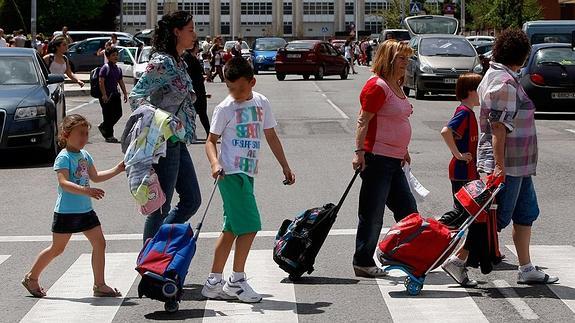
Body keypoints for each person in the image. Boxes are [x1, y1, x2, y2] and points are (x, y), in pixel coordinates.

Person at [202, 56, 296, 303]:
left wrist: (285, 166)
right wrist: (215, 162)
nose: (234, 93)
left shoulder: (262, 102)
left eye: (240, 88)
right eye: (230, 88)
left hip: (247, 173)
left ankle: (213, 282)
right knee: (251, 225)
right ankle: (236, 281)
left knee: (231, 229)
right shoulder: (225, 108)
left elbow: (271, 135)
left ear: (252, 82)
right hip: (231, 173)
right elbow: (210, 141)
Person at [476, 28, 558, 285]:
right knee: (495, 218)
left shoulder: (497, 75)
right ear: (522, 56)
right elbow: (498, 127)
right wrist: (498, 167)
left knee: (526, 213)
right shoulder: (504, 82)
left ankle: (526, 267)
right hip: (508, 164)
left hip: (519, 166)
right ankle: (459, 258)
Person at [22, 114, 125, 298]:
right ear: (66, 134)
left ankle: (99, 285)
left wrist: (117, 169)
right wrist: (87, 191)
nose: (84, 138)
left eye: (86, 134)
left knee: (99, 243)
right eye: (80, 133)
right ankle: (31, 277)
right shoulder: (64, 157)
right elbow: (63, 182)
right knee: (57, 249)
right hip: (66, 212)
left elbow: (96, 177)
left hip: (86, 210)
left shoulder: (85, 155)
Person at [129, 11, 202, 241]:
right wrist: (162, 118)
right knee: (161, 206)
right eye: (190, 30)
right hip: (164, 141)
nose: (195, 34)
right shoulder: (163, 62)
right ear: (176, 32)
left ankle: (159, 245)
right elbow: (136, 96)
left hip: (178, 140)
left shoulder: (180, 61)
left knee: (191, 200)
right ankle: (149, 262)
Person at [351, 39, 418, 278]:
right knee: (373, 214)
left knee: (408, 212)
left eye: (407, 58)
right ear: (389, 59)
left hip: (394, 159)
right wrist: (359, 152)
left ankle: (404, 255)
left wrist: (404, 149)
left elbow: (398, 121)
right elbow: (363, 120)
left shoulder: (397, 85)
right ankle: (362, 260)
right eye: (402, 58)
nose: (406, 63)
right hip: (377, 158)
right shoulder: (377, 86)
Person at [439, 72, 483, 287]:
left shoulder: (469, 113)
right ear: (470, 91)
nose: (482, 93)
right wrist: (458, 155)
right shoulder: (464, 112)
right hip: (461, 172)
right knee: (468, 218)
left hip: (468, 171)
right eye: (480, 88)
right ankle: (452, 256)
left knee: (472, 217)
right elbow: (446, 131)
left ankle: (462, 257)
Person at [97, 47, 128, 143]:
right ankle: (109, 136)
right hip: (107, 96)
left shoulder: (118, 69)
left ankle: (104, 126)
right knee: (108, 115)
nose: (116, 57)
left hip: (115, 95)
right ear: (108, 57)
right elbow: (101, 82)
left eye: (116, 55)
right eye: (113, 55)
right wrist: (104, 95)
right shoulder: (105, 68)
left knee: (118, 113)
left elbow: (121, 81)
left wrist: (125, 93)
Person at [183, 41, 210, 140]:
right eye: (197, 46)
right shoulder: (187, 57)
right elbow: (188, 74)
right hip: (195, 90)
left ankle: (207, 133)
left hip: (199, 89)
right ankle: (193, 134)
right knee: (196, 112)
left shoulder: (192, 57)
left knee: (201, 112)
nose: (198, 48)